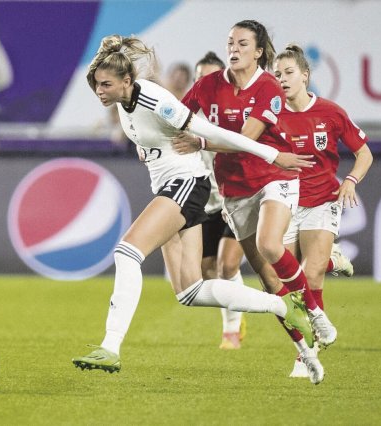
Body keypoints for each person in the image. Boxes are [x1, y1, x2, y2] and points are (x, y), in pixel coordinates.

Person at [72, 34, 317, 376]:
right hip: (173, 185)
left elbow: (217, 133)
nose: (99, 90)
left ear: (127, 81)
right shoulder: (121, 105)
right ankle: (285, 305)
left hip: (187, 184)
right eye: (96, 84)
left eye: (105, 84)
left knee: (127, 252)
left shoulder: (154, 98)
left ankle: (110, 346)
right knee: (190, 291)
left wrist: (274, 155)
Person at [173, 20, 336, 384]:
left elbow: (247, 139)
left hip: (274, 177)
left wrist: (199, 143)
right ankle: (305, 351)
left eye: (242, 43)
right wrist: (152, 137)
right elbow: (177, 120)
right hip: (234, 189)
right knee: (267, 279)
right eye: (230, 41)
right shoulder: (207, 85)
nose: (233, 48)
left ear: (259, 51)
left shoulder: (269, 88)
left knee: (268, 244)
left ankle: (315, 311)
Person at [273, 44, 373, 378]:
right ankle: (332, 258)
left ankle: (308, 354)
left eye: (288, 73)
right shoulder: (269, 116)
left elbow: (364, 153)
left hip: (322, 200)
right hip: (284, 202)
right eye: (277, 75)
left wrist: (351, 180)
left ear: (305, 75)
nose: (282, 80)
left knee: (310, 275)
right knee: (280, 284)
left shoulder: (330, 112)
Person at [193, 51, 248, 350]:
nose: (208, 83)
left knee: (227, 267)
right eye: (202, 77)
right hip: (206, 204)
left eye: (214, 77)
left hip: (236, 199)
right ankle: (236, 310)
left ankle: (231, 330)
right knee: (206, 271)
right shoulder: (185, 117)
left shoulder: (236, 114)